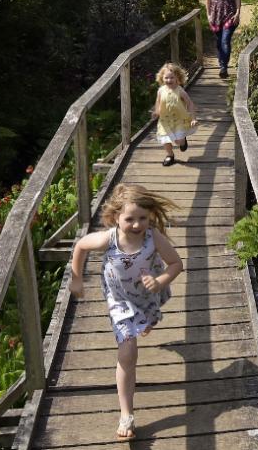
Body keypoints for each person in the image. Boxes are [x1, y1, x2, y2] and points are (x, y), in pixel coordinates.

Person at [69, 184, 184, 441]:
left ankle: (146, 321)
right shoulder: (108, 239)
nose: (136, 224)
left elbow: (176, 264)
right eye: (129, 219)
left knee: (148, 319)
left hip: (147, 294)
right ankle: (126, 414)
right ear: (116, 217)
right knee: (128, 351)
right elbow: (81, 247)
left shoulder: (153, 237)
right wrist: (77, 279)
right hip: (119, 300)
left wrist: (162, 281)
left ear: (150, 217)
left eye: (142, 218)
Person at [151, 62, 197, 167]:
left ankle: (183, 141)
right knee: (165, 140)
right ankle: (170, 155)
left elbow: (190, 104)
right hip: (165, 121)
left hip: (179, 120)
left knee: (178, 141)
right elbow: (158, 103)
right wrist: (156, 112)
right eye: (166, 78)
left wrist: (193, 118)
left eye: (172, 77)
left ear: (177, 78)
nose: (169, 80)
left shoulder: (180, 91)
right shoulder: (160, 91)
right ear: (162, 78)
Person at [205, 0, 241, 78]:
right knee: (219, 42)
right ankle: (222, 64)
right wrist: (208, 15)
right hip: (215, 16)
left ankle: (223, 67)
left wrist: (238, 13)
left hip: (230, 14)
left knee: (225, 40)